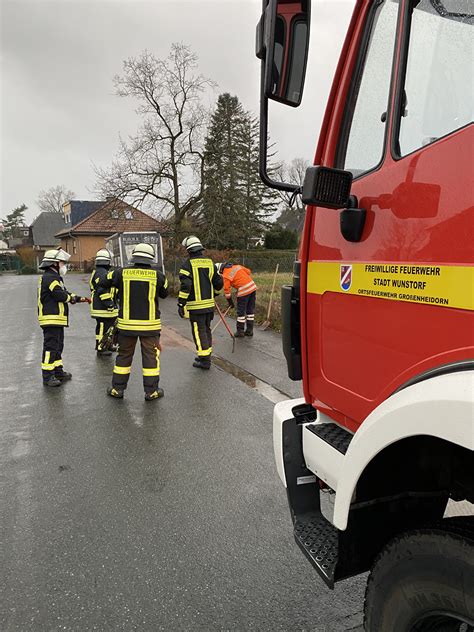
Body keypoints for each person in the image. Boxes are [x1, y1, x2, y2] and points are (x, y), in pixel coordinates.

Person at [98, 242, 168, 401]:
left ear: (134, 257)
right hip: (150, 327)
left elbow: (102, 282)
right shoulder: (158, 276)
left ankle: (117, 389)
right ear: (150, 259)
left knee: (123, 357)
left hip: (126, 326)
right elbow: (164, 294)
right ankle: (151, 392)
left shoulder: (121, 273)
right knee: (151, 358)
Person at [37, 248, 89, 387]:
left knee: (57, 346)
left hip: (56, 319)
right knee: (50, 348)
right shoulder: (50, 277)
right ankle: (47, 376)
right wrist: (71, 298)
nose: (63, 266)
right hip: (51, 318)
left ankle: (58, 371)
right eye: (61, 263)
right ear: (53, 263)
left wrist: (78, 298)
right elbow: (60, 295)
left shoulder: (53, 277)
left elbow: (63, 293)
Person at [178, 236, 223, 369]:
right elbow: (219, 283)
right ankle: (206, 355)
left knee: (199, 332)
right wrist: (214, 294)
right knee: (207, 330)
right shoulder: (210, 263)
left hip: (196, 307)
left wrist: (181, 303)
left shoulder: (187, 265)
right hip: (209, 306)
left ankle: (204, 360)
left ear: (189, 250)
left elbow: (186, 286)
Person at [89, 248, 118, 355]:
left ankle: (107, 344)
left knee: (107, 328)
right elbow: (102, 290)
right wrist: (109, 303)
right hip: (102, 307)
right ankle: (101, 347)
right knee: (102, 327)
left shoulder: (100, 272)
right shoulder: (102, 273)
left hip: (103, 307)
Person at [219, 262, 257, 337]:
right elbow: (248, 271)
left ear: (221, 270)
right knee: (250, 310)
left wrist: (230, 302)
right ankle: (249, 331)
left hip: (243, 291)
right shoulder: (237, 266)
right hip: (252, 287)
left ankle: (240, 332)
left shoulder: (225, 275)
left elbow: (227, 291)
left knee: (241, 312)